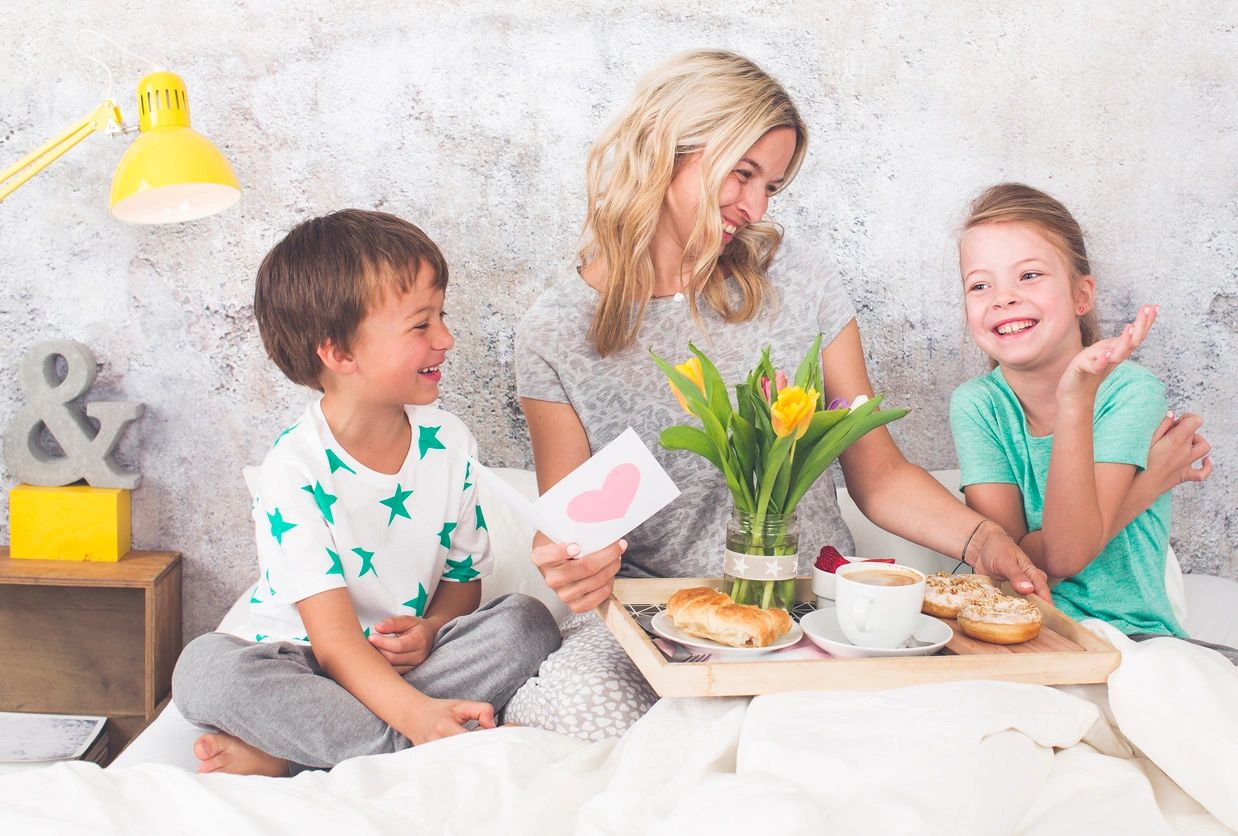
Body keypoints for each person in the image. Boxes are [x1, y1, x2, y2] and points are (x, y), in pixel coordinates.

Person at [505, 50, 1054, 739]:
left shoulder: (799, 278)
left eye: (772, 185)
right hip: (662, 620)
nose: (756, 206)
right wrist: (574, 564)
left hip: (810, 610)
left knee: (907, 731)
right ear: (666, 147)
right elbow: (573, 526)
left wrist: (984, 539)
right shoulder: (556, 331)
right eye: (743, 173)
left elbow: (878, 474)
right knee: (581, 714)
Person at [172, 209, 560, 775]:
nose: (446, 339)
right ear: (340, 354)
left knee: (526, 621)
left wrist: (429, 629)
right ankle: (425, 735)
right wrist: (417, 715)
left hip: (399, 666)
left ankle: (294, 750)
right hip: (300, 662)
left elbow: (462, 584)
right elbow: (331, 642)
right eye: (421, 325)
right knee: (205, 670)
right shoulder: (294, 468)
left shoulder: (451, 442)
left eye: (442, 316)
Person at [950, 183, 1231, 661]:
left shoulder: (1129, 392)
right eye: (980, 285)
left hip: (1135, 636)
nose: (1003, 298)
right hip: (1017, 632)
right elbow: (1006, 568)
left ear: (1081, 296)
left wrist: (1077, 398)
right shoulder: (977, 406)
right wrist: (1147, 485)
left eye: (1029, 275)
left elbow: (1054, 555)